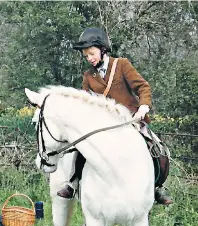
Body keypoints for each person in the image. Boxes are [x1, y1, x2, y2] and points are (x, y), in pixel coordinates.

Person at [57, 27, 172, 205]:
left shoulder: (122, 65)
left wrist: (143, 107)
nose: (89, 58)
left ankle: (157, 186)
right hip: (103, 124)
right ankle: (73, 182)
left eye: (91, 53)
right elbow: (85, 102)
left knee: (154, 146)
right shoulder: (88, 76)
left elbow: (143, 87)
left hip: (130, 119)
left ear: (102, 49)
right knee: (82, 147)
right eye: (86, 56)